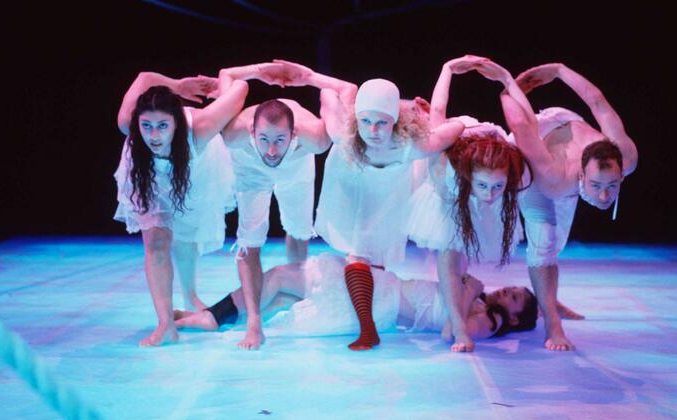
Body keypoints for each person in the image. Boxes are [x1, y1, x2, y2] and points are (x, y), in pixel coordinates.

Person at [309, 68, 465, 350]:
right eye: (366, 121)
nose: (373, 131)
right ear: (356, 118)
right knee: (358, 250)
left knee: (376, 255)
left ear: (394, 121)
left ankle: (372, 322)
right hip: (352, 188)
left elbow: (456, 128)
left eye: (382, 122)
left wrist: (425, 120)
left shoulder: (413, 145)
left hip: (390, 195)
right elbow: (328, 95)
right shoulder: (343, 133)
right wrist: (310, 79)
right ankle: (368, 328)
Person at [499, 62, 638, 352]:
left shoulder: (626, 155)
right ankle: (552, 323)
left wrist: (561, 71)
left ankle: (548, 299)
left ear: (622, 175)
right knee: (544, 241)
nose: (604, 197)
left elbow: (597, 101)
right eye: (596, 186)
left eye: (611, 186)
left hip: (571, 124)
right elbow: (521, 126)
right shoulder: (556, 177)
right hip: (535, 145)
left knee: (558, 242)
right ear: (582, 177)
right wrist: (509, 91)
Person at [113, 68, 248, 347]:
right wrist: (177, 85)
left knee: (186, 233)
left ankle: (190, 295)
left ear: (177, 123)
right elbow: (144, 77)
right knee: (157, 242)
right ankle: (166, 325)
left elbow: (241, 89)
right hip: (147, 172)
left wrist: (223, 85)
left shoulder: (200, 127)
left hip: (195, 169)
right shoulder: (128, 124)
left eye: (163, 126)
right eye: (146, 125)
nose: (154, 135)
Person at [408, 55, 533, 353]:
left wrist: (506, 78)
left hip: (487, 146)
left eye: (497, 187)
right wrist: (447, 69)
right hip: (452, 154)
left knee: (466, 239)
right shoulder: (446, 169)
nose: (490, 195)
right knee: (450, 250)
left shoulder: (518, 173)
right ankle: (458, 324)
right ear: (470, 179)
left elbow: (527, 124)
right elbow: (439, 111)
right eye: (484, 187)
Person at [216, 62, 332, 351]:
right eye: (264, 139)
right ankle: (254, 321)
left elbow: (342, 92)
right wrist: (260, 71)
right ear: (252, 131)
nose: (271, 150)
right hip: (249, 168)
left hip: (296, 166)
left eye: (279, 140)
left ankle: (296, 296)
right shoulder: (233, 132)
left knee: (299, 230)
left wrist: (308, 76)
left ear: (293, 134)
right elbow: (226, 75)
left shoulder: (315, 138)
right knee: (250, 241)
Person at [175, 253, 539, 344]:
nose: (507, 292)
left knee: (281, 278)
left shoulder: (489, 321)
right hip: (385, 289)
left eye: (515, 299)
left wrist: (469, 289)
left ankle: (212, 316)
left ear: (514, 318)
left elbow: (451, 333)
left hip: (383, 301)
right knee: (282, 295)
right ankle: (213, 318)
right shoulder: (479, 302)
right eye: (513, 288)